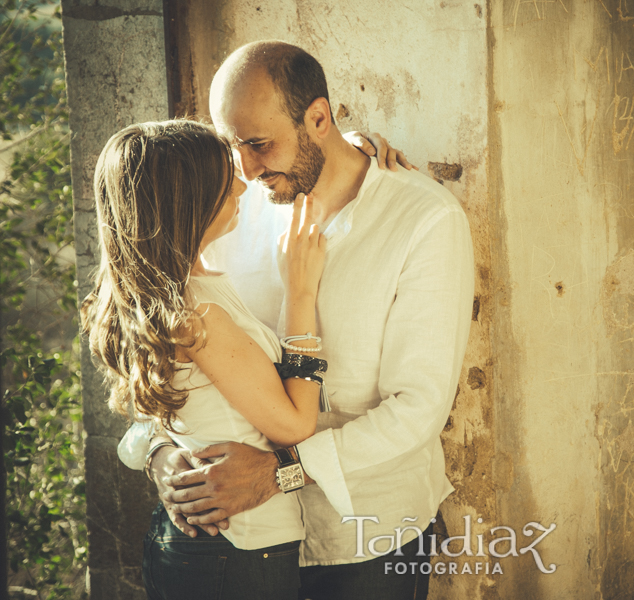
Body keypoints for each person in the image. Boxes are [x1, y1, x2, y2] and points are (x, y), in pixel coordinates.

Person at [122, 41, 475, 599]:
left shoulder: (423, 219)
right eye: (232, 145)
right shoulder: (227, 211)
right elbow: (166, 357)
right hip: (237, 547)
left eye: (259, 144)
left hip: (365, 540)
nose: (243, 167)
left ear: (319, 118)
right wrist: (159, 454)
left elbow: (419, 409)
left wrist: (279, 471)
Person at [82, 119, 336, 599]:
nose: (242, 181)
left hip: (204, 545)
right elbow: (296, 426)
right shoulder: (197, 316)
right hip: (236, 554)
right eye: (225, 177)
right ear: (188, 200)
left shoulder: (163, 298)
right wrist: (301, 294)